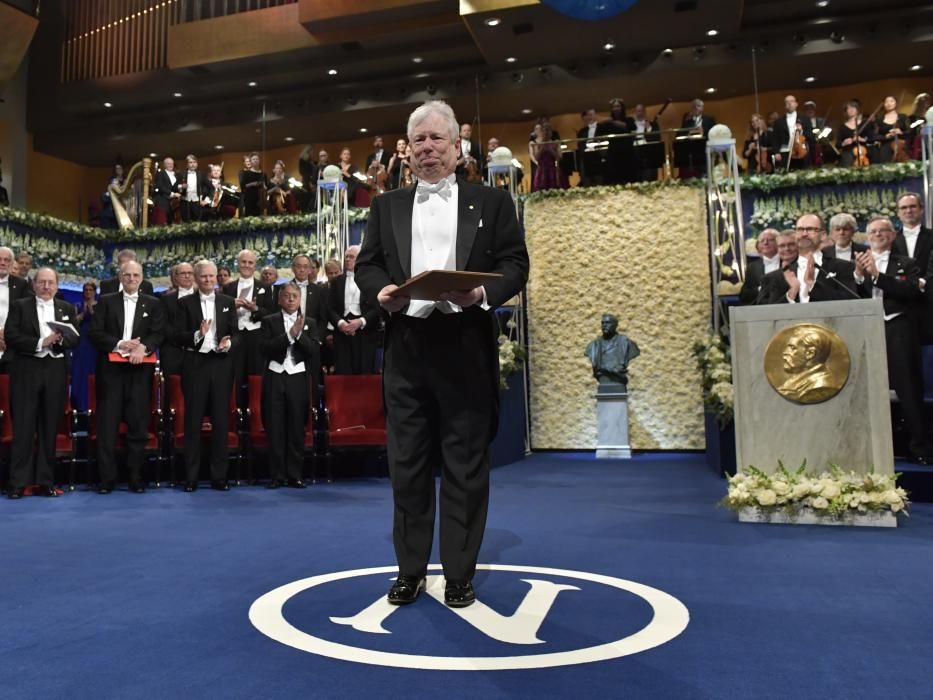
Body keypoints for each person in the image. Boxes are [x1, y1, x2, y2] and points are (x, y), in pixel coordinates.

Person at [356, 100, 529, 608]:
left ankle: (458, 573)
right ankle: (410, 570)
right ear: (407, 152)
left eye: (437, 139)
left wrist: (480, 295)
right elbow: (367, 267)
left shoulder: (492, 203)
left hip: (465, 344)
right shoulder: (385, 206)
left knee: (465, 463)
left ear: (457, 147)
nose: (428, 148)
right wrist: (382, 290)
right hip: (407, 347)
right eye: (419, 141)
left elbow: (516, 263)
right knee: (406, 464)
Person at [854, 217, 931, 464]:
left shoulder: (907, 264)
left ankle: (921, 449)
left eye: (883, 231)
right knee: (865, 391)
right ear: (867, 236)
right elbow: (849, 296)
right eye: (872, 231)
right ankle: (867, 449)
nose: (877, 234)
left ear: (892, 235)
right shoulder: (857, 263)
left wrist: (876, 275)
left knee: (908, 390)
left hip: (899, 330)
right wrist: (858, 276)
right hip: (867, 330)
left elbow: (910, 291)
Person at [88, 260, 165, 493]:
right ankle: (106, 479)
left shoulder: (153, 303)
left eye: (136, 275)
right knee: (107, 427)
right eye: (127, 275)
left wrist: (145, 348)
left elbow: (158, 332)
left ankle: (135, 477)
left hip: (140, 372)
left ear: (142, 278)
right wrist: (119, 343)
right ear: (120, 277)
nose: (132, 279)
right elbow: (95, 334)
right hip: (111, 373)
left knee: (138, 426)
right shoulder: (106, 302)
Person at [5, 268, 79, 499]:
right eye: (42, 283)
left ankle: (46, 481)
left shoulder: (66, 308)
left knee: (49, 428)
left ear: (57, 285)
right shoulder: (20, 306)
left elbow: (75, 338)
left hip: (55, 372)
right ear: (34, 285)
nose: (46, 287)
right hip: (26, 371)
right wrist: (41, 342)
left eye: (51, 283)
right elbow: (11, 336)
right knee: (24, 429)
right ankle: (18, 483)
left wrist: (60, 341)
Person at [173, 260, 239, 492]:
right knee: (193, 422)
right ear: (196, 278)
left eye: (212, 277)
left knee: (221, 422)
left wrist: (228, 342)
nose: (209, 281)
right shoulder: (184, 303)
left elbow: (236, 334)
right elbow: (176, 336)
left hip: (221, 364)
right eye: (204, 277)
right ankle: (191, 477)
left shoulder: (227, 302)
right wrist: (196, 335)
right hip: (195, 364)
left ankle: (219, 477)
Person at [260, 282, 318, 489]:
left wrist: (299, 334)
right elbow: (265, 348)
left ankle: (295, 475)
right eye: (287, 296)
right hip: (275, 376)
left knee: (296, 427)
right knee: (275, 427)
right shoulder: (268, 321)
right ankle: (277, 475)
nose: (291, 299)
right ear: (279, 299)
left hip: (298, 377)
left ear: (300, 299)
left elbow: (312, 350)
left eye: (295, 296)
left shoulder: (309, 322)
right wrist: (289, 336)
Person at [756, 214, 857, 304]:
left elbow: (851, 303)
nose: (804, 234)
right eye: (800, 229)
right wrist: (791, 293)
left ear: (823, 235)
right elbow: (764, 314)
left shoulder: (844, 267)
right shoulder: (774, 277)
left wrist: (813, 284)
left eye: (810, 229)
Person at [223, 249, 274, 405]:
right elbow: (222, 313)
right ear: (238, 264)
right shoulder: (228, 288)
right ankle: (236, 415)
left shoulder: (265, 287)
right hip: (235, 336)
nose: (246, 265)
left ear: (255, 265)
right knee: (235, 376)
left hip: (257, 337)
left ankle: (256, 413)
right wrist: (233, 307)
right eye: (243, 262)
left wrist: (255, 310)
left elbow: (271, 314)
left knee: (257, 376)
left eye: (250, 262)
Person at [326, 245, 379, 374]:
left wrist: (361, 321)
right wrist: (340, 323)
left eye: (352, 257)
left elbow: (377, 307)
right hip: (342, 333)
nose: (348, 260)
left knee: (364, 372)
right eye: (346, 257)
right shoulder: (336, 281)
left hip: (365, 333)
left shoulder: (371, 280)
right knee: (343, 372)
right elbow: (330, 308)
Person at [777, 327, 838, 403]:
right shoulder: (794, 381)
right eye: (787, 347)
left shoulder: (821, 385)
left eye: (792, 348)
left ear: (810, 353)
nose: (785, 352)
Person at [0, 246, 34, 375]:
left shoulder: (21, 285)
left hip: (10, 350)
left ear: (12, 263)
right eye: (0, 259)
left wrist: (7, 334)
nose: (3, 263)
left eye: (7, 260)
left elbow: (26, 317)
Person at [158, 262, 196, 377]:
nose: (187, 276)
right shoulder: (165, 299)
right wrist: (181, 340)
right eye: (183, 273)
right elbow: (163, 325)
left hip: (198, 354)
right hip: (173, 353)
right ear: (176, 277)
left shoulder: (202, 297)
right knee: (173, 392)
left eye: (190, 273)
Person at [584, 314, 640, 387]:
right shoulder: (594, 345)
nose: (604, 325)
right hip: (603, 379)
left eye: (608, 323)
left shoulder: (626, 342)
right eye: (602, 323)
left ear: (615, 325)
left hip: (619, 382)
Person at [70, 281, 99, 411]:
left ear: (95, 291)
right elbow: (73, 323)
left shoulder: (100, 306)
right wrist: (83, 314)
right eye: (86, 290)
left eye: (90, 290)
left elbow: (101, 323)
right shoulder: (77, 305)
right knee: (80, 371)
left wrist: (92, 312)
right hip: (81, 343)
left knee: (93, 371)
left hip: (94, 344)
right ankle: (79, 405)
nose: (88, 292)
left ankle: (93, 405)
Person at [739, 229, 781, 305]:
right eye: (762, 241)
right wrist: (761, 289)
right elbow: (744, 295)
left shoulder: (787, 262)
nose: (765, 243)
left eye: (770, 240)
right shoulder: (752, 267)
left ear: (779, 242)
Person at [771, 95, 813, 170]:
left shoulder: (805, 119)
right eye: (787, 102)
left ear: (796, 104)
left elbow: (811, 136)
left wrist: (801, 131)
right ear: (785, 106)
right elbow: (775, 139)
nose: (789, 103)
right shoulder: (778, 122)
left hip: (801, 152)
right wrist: (776, 152)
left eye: (792, 101)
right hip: (785, 152)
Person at [530, 122, 568, 192]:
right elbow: (536, 158)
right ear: (542, 132)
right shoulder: (537, 143)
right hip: (541, 171)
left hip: (552, 170)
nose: (546, 133)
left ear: (551, 132)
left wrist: (551, 150)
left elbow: (559, 157)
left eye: (548, 131)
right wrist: (542, 148)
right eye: (544, 131)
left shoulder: (555, 142)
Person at [837, 100, 874, 168]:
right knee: (847, 159)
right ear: (846, 111)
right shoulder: (842, 127)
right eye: (848, 108)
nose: (851, 110)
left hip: (864, 151)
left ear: (857, 110)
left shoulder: (865, 124)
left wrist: (862, 139)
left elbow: (872, 139)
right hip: (848, 152)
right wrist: (844, 143)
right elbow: (838, 144)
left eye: (853, 107)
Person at [875, 95, 909, 164]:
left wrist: (901, 132)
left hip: (900, 146)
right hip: (885, 146)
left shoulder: (903, 117)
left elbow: (910, 132)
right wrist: (886, 136)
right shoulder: (879, 120)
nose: (889, 103)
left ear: (896, 103)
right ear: (884, 104)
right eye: (886, 102)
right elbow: (875, 136)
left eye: (891, 101)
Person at [576, 107, 603, 186]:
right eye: (588, 115)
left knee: (600, 183)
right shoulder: (582, 131)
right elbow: (580, 146)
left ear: (595, 116)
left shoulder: (602, 128)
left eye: (591, 115)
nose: (590, 117)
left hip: (598, 158)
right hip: (586, 160)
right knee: (587, 184)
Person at [152, 157, 180, 226]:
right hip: (162, 201)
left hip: (172, 203)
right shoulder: (161, 173)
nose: (170, 165)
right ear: (164, 165)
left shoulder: (176, 175)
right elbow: (160, 186)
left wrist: (181, 188)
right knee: (162, 223)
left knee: (170, 222)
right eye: (168, 164)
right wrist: (172, 194)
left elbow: (174, 187)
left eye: (172, 164)